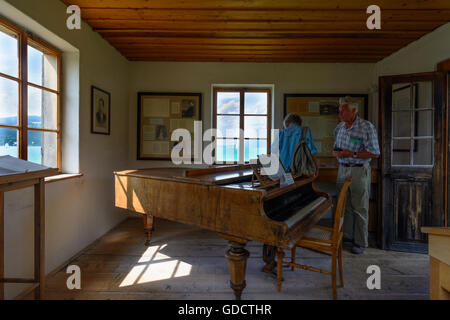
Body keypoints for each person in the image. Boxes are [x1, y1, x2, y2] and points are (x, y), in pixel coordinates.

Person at [262, 113, 320, 276]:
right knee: (293, 212)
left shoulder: (279, 134)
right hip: (299, 179)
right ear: (298, 122)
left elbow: (271, 157)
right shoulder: (304, 131)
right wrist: (316, 171)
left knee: (276, 214)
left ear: (286, 123)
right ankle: (289, 242)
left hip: (280, 180)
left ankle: (272, 256)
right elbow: (313, 154)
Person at [332, 96, 380, 254]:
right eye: (339, 110)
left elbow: (375, 153)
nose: (340, 113)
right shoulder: (339, 128)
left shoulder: (366, 127)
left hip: (359, 170)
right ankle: (346, 236)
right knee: (343, 205)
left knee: (360, 207)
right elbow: (336, 148)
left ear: (354, 111)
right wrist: (336, 153)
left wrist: (352, 153)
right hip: (342, 169)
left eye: (343, 110)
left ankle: (360, 242)